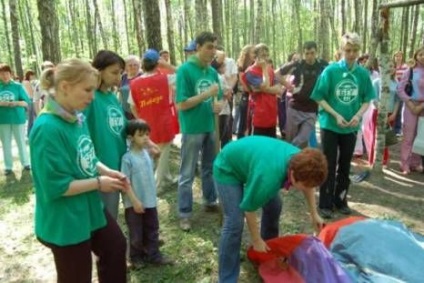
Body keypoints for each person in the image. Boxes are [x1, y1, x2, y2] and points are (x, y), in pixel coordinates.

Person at [29, 59, 127, 283]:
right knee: (77, 276)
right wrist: (100, 183)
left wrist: (108, 171)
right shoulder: (47, 129)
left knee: (115, 247)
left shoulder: (76, 116)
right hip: (66, 220)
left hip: (89, 208)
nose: (92, 97)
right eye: (87, 90)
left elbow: (88, 156)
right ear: (65, 86)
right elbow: (57, 187)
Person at [213, 136, 327, 282]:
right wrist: (256, 239)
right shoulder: (269, 178)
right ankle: (227, 278)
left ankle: (266, 251)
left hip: (252, 163)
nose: (307, 188)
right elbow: (249, 208)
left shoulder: (303, 161)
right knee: (234, 223)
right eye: (304, 185)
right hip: (227, 168)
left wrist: (314, 214)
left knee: (274, 206)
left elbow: (309, 185)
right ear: (292, 175)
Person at [311, 32, 375, 219]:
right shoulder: (330, 71)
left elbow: (367, 99)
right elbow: (319, 97)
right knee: (328, 164)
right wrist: (336, 114)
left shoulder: (362, 73)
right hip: (330, 124)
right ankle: (325, 203)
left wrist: (357, 116)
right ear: (341, 50)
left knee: (345, 165)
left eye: (355, 50)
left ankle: (341, 199)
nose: (351, 54)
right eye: (348, 50)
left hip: (351, 127)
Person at [175, 31, 223, 231]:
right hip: (193, 128)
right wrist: (206, 94)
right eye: (208, 47)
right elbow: (181, 104)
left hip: (210, 125)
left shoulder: (212, 72)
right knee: (187, 171)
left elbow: (217, 97)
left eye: (214, 47)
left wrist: (218, 105)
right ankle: (184, 212)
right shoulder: (185, 70)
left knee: (209, 167)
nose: (213, 52)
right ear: (198, 47)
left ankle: (210, 199)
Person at [121, 119, 174, 268]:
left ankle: (153, 254)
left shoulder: (146, 153)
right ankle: (136, 257)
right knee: (136, 232)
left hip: (150, 200)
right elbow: (125, 182)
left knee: (152, 228)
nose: (145, 138)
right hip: (134, 203)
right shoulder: (127, 158)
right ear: (131, 138)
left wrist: (154, 153)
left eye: (147, 134)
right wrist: (134, 201)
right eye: (141, 135)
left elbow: (153, 164)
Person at [129, 49, 179, 192]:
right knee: (162, 154)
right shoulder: (166, 78)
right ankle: (156, 185)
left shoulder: (135, 83)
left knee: (152, 152)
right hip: (164, 122)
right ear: (158, 64)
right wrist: (167, 66)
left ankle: (167, 177)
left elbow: (133, 106)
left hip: (146, 122)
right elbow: (182, 74)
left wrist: (140, 119)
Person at [85, 50, 128, 219]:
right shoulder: (90, 98)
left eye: (121, 73)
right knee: (106, 216)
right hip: (102, 165)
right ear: (99, 71)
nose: (119, 77)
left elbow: (122, 125)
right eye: (114, 72)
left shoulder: (111, 96)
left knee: (115, 211)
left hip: (119, 161)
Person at [275, 41, 328, 148]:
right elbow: (277, 73)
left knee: (302, 139)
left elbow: (332, 76)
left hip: (312, 109)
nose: (309, 56)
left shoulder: (322, 65)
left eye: (312, 53)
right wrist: (287, 85)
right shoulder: (298, 64)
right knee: (290, 140)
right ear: (304, 53)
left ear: (316, 52)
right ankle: (290, 162)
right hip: (295, 107)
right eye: (307, 53)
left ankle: (293, 154)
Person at [243, 43, 283, 138]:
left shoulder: (270, 70)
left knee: (270, 145)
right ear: (255, 57)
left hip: (271, 113)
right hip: (258, 116)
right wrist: (264, 69)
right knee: (258, 145)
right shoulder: (250, 72)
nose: (265, 58)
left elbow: (279, 89)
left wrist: (264, 89)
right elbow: (265, 85)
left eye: (267, 55)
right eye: (262, 55)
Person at [0, 63, 31, 176]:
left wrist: (15, 103)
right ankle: (8, 166)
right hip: (2, 119)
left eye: (6, 73)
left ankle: (26, 163)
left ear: (11, 74)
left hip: (18, 118)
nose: (4, 76)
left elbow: (26, 102)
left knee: (21, 142)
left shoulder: (17, 86)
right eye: (2, 74)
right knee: (6, 143)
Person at [397, 46, 424, 174]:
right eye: (421, 54)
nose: (423, 57)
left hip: (423, 107)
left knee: (421, 135)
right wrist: (410, 104)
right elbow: (400, 89)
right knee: (408, 136)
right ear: (416, 56)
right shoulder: (410, 71)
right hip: (410, 106)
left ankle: (415, 162)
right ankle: (405, 163)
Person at [234, 44, 255, 139]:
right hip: (245, 98)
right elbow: (245, 86)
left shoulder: (255, 65)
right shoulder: (241, 66)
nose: (254, 54)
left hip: (254, 98)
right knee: (243, 124)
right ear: (246, 54)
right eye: (252, 52)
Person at [119, 55, 142, 120]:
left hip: (138, 110)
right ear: (126, 67)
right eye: (130, 65)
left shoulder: (142, 76)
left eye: (135, 65)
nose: (133, 67)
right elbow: (121, 92)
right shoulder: (124, 77)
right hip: (125, 110)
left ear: (139, 65)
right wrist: (118, 105)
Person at [22, 70, 37, 136]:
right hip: (30, 100)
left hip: (29, 100)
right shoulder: (27, 82)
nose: (33, 76)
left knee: (32, 117)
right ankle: (30, 132)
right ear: (29, 75)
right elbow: (31, 92)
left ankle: (31, 132)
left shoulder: (25, 82)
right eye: (32, 75)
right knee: (31, 117)